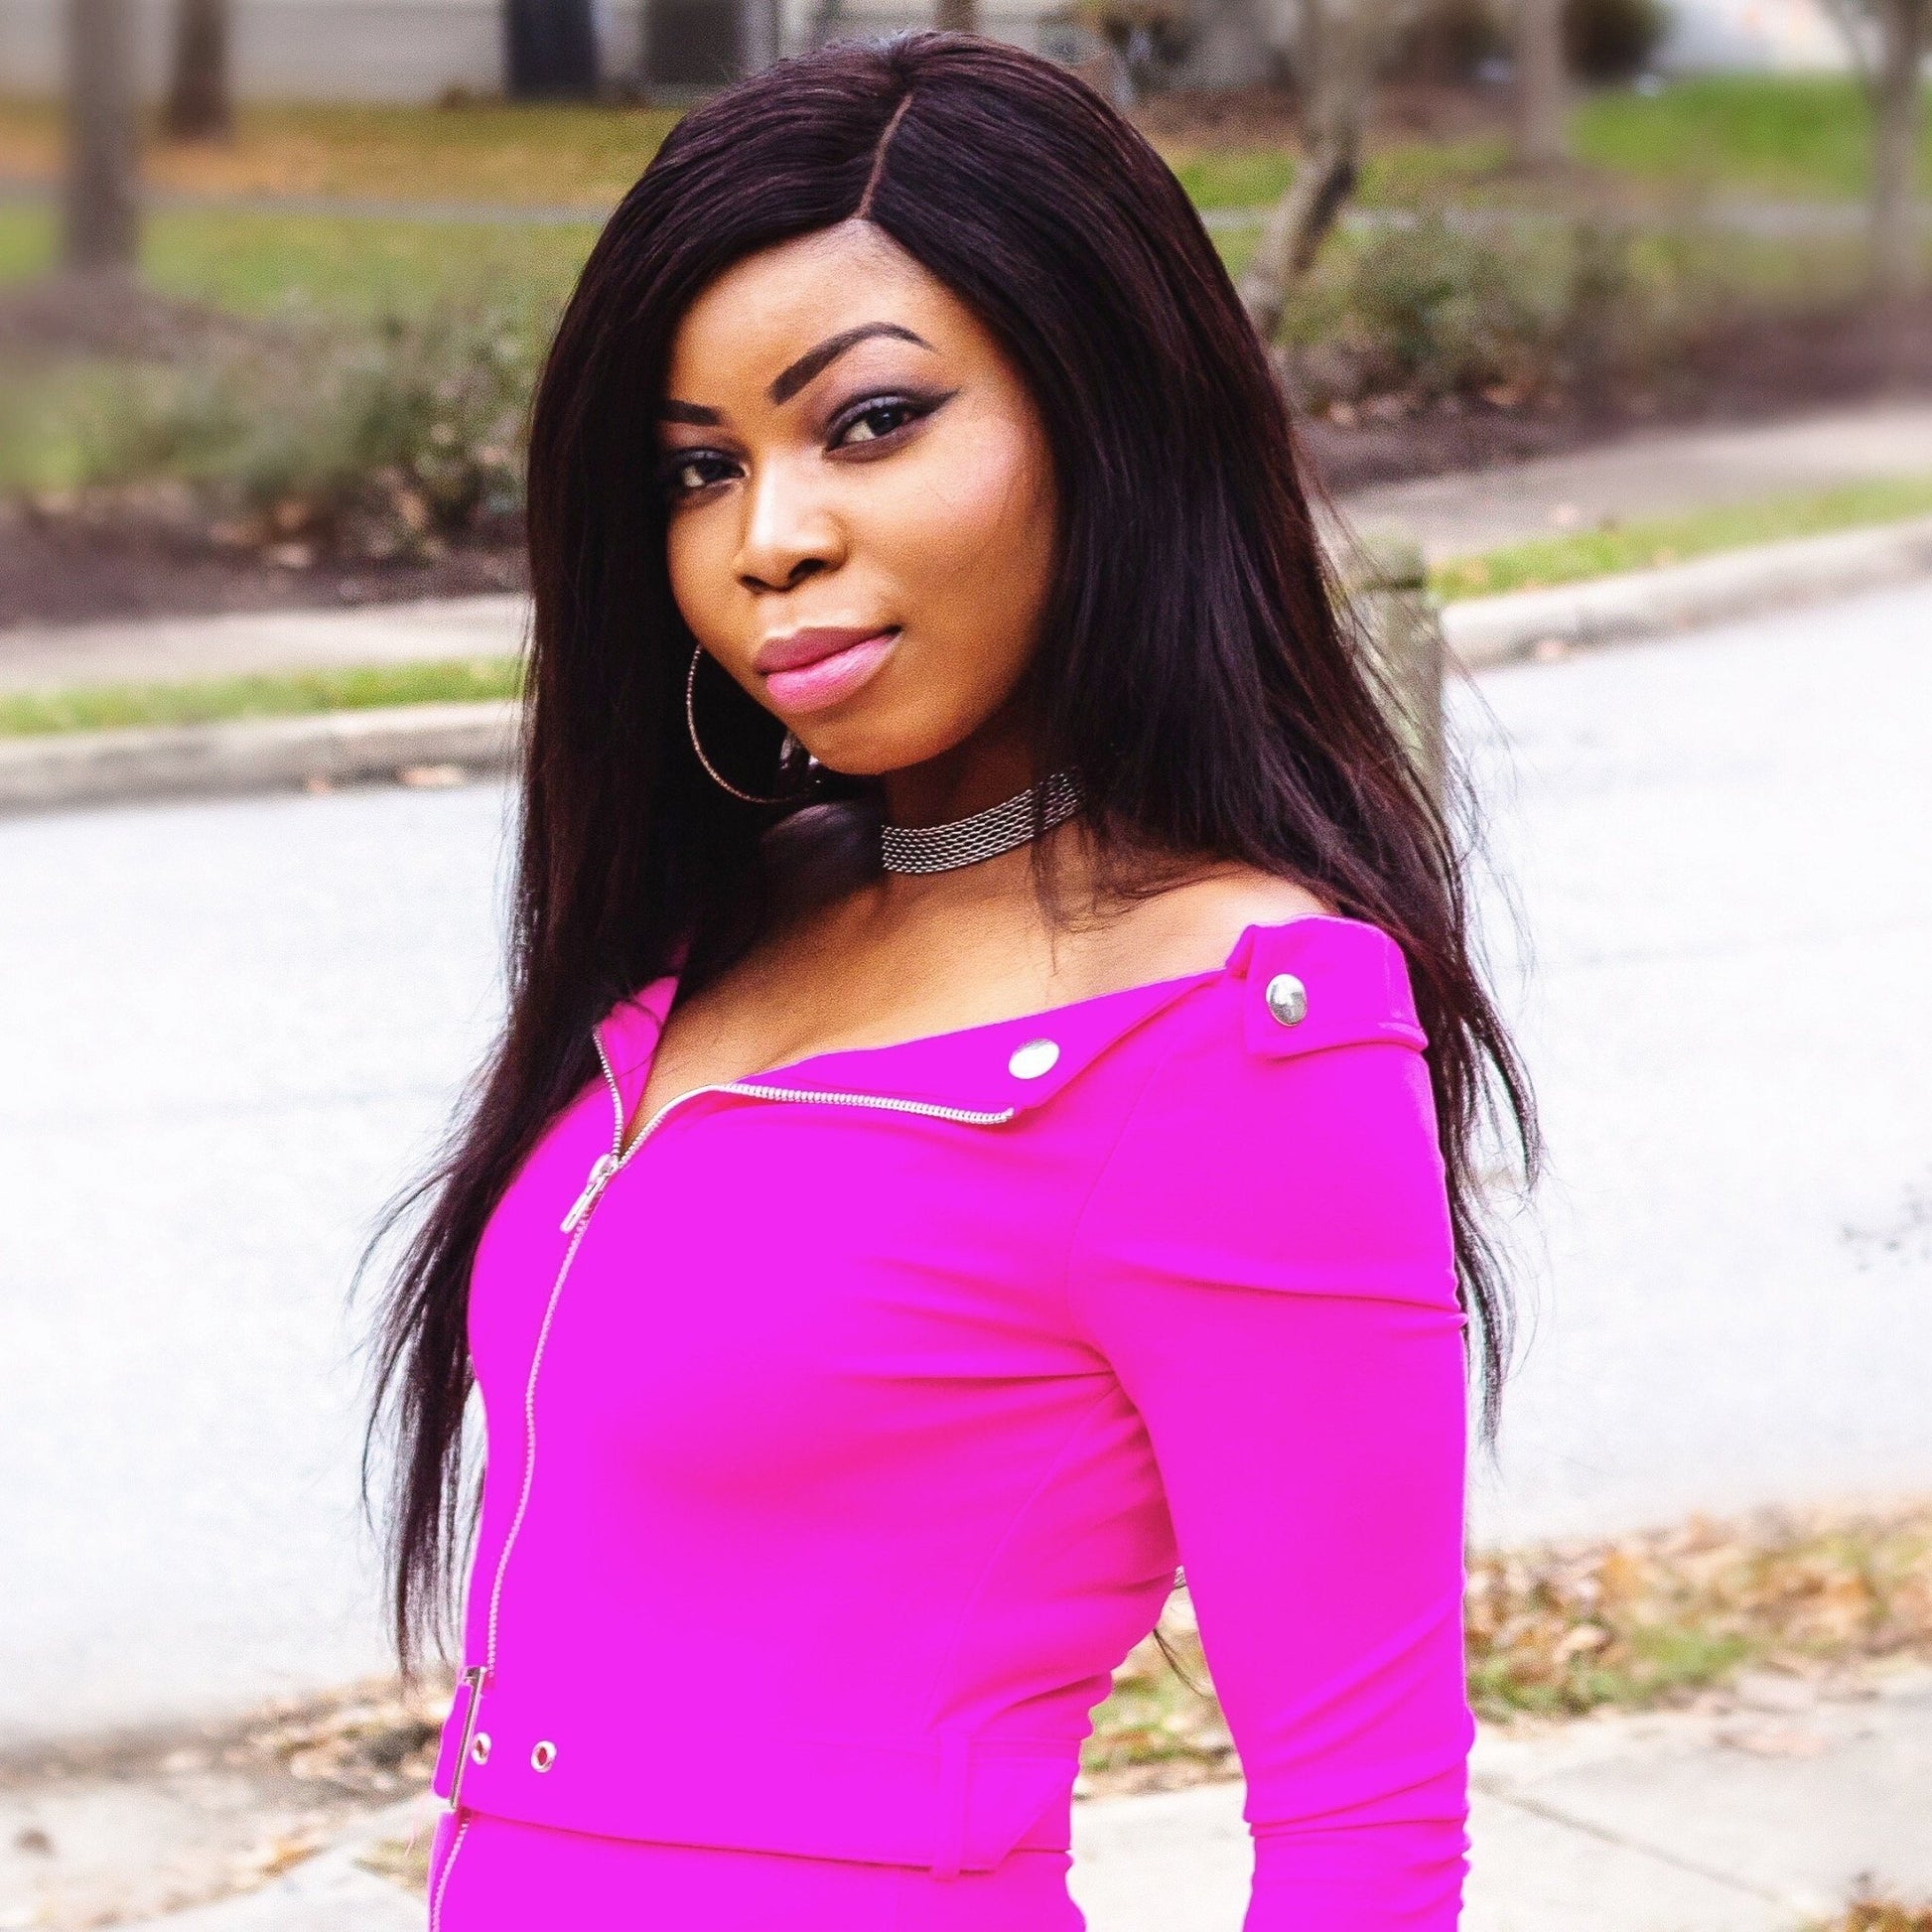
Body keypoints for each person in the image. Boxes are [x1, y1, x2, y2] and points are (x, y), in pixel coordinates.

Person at [366, 30, 1534, 1930]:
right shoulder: (728, 914)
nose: (770, 539)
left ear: (1108, 417)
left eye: (871, 421)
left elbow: (1361, 1825)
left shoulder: (1243, 1029)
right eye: (695, 467)